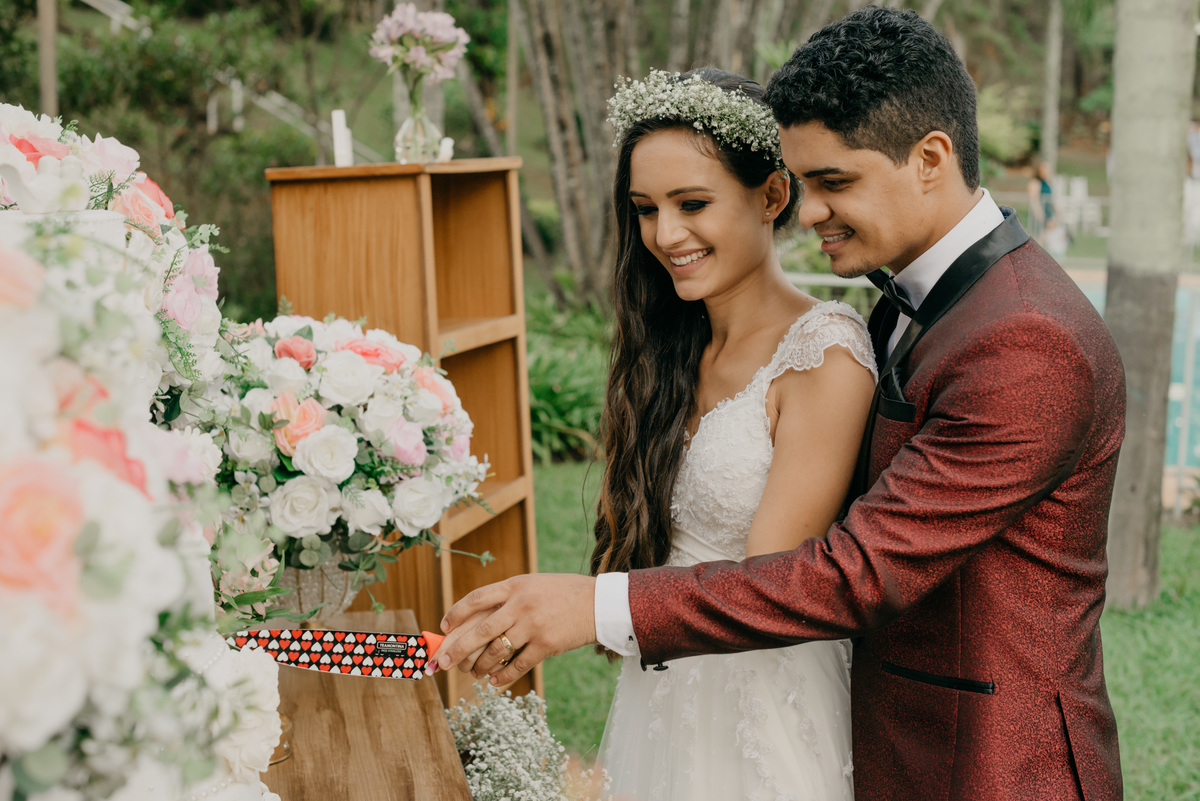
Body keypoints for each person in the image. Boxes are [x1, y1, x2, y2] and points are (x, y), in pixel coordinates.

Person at [432, 8, 1126, 801]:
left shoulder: (1027, 337)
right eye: (806, 183)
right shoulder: (905, 301)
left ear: (931, 158)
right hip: (888, 736)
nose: (809, 210)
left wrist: (599, 605)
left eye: (834, 183)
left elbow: (855, 573)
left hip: (991, 765)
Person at [590, 68, 875, 799]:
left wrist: (587, 610)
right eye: (646, 209)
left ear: (773, 196)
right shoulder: (671, 348)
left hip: (763, 700)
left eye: (692, 204)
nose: (665, 235)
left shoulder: (823, 353)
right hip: (664, 684)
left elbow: (774, 587)